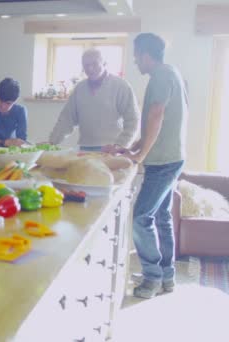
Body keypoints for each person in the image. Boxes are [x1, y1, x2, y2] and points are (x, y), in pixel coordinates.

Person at [120, 33, 188, 299]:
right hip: (171, 157)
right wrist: (135, 147)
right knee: (161, 218)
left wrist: (140, 157)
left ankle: (152, 278)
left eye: (136, 55)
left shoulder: (160, 76)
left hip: (163, 162)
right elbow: (156, 124)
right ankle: (167, 277)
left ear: (146, 54)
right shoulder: (171, 73)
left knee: (140, 217)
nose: (135, 60)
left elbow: (157, 115)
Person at [48, 49, 140, 151]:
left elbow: (133, 119)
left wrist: (121, 145)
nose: (90, 69)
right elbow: (66, 120)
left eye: (94, 64)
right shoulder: (79, 88)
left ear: (104, 63)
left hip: (112, 149)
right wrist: (51, 142)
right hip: (85, 148)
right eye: (86, 65)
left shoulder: (121, 86)